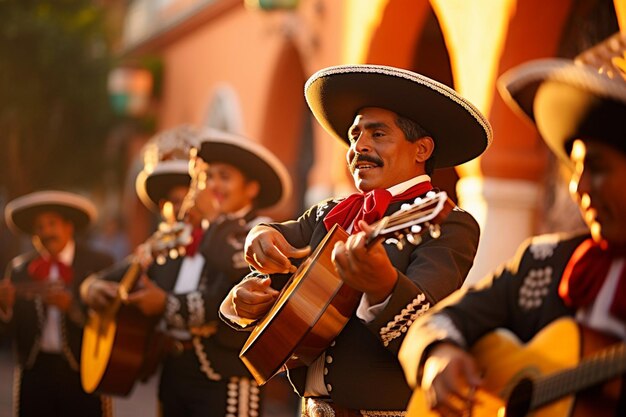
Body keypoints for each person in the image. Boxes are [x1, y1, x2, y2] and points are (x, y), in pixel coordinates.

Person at [220, 64, 492, 416]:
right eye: (354, 136)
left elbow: (425, 326)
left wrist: (384, 285)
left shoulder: (450, 224)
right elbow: (274, 245)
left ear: (421, 149)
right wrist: (254, 254)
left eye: (378, 135)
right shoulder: (327, 213)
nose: (358, 147)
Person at [398, 32, 626, 417]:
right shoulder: (545, 262)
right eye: (576, 167)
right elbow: (436, 322)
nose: (579, 187)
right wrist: (439, 355)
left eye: (599, 167)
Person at [81, 126, 293, 417]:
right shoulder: (177, 237)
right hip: (173, 373)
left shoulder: (261, 234)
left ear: (251, 189)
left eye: (225, 177)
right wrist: (90, 287)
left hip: (226, 378)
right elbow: (123, 272)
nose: (213, 185)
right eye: (207, 177)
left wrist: (165, 304)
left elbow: (225, 299)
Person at [0, 190, 114, 417]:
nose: (46, 232)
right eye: (39, 227)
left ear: (68, 227)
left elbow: (110, 321)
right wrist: (5, 308)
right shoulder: (20, 269)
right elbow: (8, 334)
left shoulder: (99, 263)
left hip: (82, 372)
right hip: (35, 372)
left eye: (52, 224)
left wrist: (71, 309)